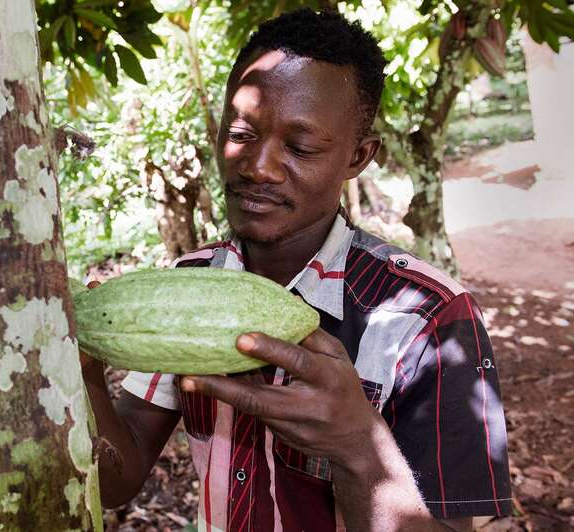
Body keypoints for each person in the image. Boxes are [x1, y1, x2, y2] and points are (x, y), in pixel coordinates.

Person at [80, 8, 511, 532]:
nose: (258, 167)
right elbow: (116, 481)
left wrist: (358, 447)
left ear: (358, 157)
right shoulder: (186, 282)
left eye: (300, 147)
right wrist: (85, 371)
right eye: (241, 133)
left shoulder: (428, 318)